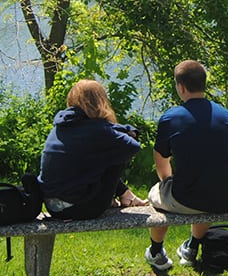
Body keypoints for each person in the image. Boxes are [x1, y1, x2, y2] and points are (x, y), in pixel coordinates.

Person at [145, 60, 228, 271]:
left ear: (180, 87)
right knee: (205, 188)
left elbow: (162, 164)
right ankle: (191, 247)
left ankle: (156, 251)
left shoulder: (171, 118)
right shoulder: (227, 116)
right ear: (204, 84)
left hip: (189, 197)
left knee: (156, 193)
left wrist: (168, 184)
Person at [37, 79, 147, 220]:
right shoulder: (98, 130)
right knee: (117, 150)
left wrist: (120, 130)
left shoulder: (61, 126)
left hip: (52, 207)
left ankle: (125, 195)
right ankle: (125, 196)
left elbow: (103, 130)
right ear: (100, 101)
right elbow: (132, 147)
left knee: (102, 153)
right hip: (81, 208)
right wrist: (129, 132)